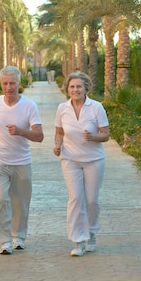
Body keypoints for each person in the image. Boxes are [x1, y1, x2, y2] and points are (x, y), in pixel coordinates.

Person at [0, 66, 44, 254]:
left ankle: (18, 236)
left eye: (12, 83)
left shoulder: (29, 106)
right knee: (1, 199)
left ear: (19, 84)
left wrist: (20, 131)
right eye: (5, 83)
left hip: (22, 162)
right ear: (1, 84)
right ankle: (4, 240)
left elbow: (39, 136)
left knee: (20, 202)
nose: (8, 87)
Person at [53, 71, 109, 256]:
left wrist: (93, 137)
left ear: (86, 88)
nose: (75, 90)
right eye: (72, 87)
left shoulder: (96, 107)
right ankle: (78, 241)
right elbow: (59, 132)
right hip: (70, 159)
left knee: (91, 200)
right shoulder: (62, 108)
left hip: (94, 160)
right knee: (76, 199)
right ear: (67, 89)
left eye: (79, 86)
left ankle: (91, 233)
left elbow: (106, 135)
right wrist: (57, 145)